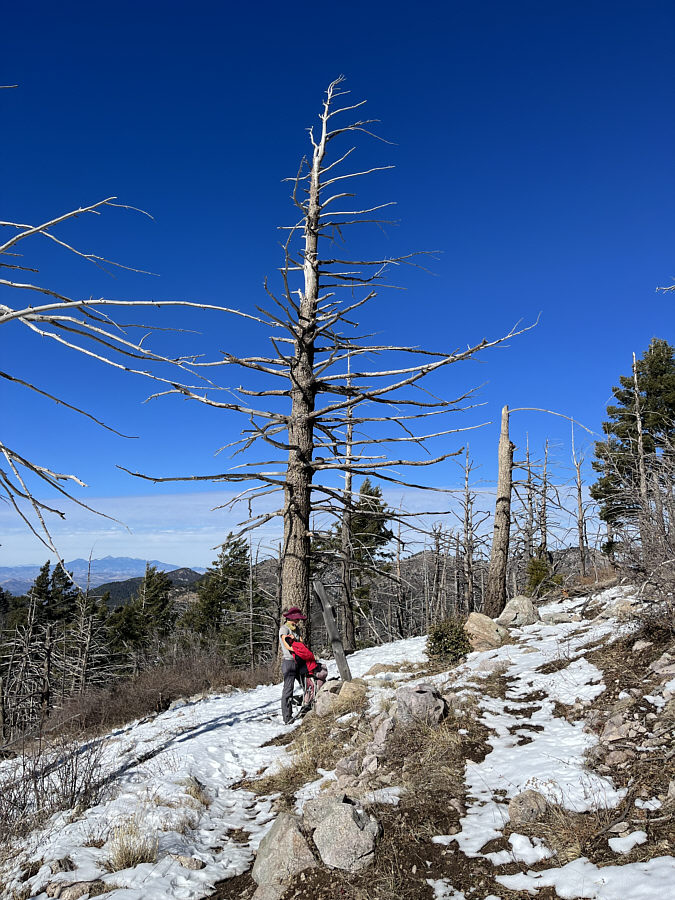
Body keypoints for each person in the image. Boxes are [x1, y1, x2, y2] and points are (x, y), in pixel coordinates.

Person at [279, 606, 327, 723]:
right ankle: (287, 717)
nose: (298, 621)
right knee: (288, 689)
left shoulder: (297, 630)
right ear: (291, 619)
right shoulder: (284, 629)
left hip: (300, 662)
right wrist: (296, 646)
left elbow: (301, 643)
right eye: (297, 619)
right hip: (289, 662)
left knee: (307, 685)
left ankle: (308, 706)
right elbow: (288, 645)